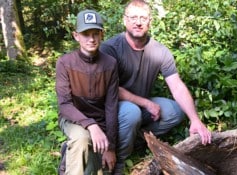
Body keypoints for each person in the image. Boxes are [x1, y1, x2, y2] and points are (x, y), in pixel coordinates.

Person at [99, 0, 212, 173]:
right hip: (115, 108)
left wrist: (195, 120)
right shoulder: (110, 49)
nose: (138, 22)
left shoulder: (160, 51)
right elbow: (111, 89)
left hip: (140, 105)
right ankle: (118, 161)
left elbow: (177, 87)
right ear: (125, 20)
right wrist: (146, 103)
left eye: (143, 18)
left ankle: (134, 139)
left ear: (150, 21)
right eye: (133, 17)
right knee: (131, 112)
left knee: (176, 110)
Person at [56, 9, 119, 175]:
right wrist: (91, 125)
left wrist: (110, 147)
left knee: (98, 170)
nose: (91, 39)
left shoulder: (110, 64)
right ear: (76, 36)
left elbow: (111, 106)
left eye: (95, 33)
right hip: (72, 119)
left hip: (100, 123)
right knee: (81, 138)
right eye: (85, 34)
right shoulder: (65, 62)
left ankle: (68, 153)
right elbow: (64, 105)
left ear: (102, 35)